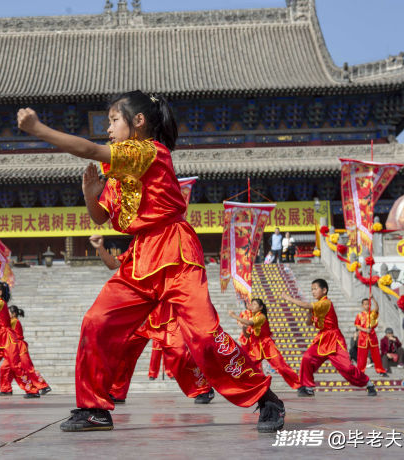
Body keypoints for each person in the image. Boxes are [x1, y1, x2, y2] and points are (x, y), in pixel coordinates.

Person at [17, 91, 282, 432]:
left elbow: (90, 149)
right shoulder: (119, 171)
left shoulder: (149, 151)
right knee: (97, 321)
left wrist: (38, 129)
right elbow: (101, 217)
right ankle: (93, 409)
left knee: (204, 336)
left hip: (175, 250)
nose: (108, 128)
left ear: (138, 122)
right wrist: (89, 194)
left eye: (114, 120)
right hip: (140, 255)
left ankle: (265, 398)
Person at [90, 234, 215, 405]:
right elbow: (113, 264)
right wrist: (100, 247)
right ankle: (116, 391)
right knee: (124, 350)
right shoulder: (138, 245)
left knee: (179, 353)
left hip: (166, 312)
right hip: (142, 312)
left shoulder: (174, 241)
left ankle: (203, 389)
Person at [281, 279, 377, 397]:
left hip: (335, 339)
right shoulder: (317, 306)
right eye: (312, 289)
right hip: (322, 338)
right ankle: (308, 387)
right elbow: (308, 323)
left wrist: (288, 298)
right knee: (307, 358)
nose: (313, 291)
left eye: (315, 289)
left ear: (324, 290)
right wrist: (310, 313)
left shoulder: (325, 303)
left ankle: (368, 383)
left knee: (347, 368)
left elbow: (306, 305)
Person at [229, 298, 301, 389]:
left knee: (281, 366)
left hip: (267, 345)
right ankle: (247, 386)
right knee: (247, 365)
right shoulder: (252, 317)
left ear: (261, 307)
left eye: (255, 304)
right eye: (252, 304)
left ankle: (300, 384)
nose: (252, 306)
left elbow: (250, 322)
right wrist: (244, 328)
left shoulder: (261, 316)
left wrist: (234, 316)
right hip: (256, 347)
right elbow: (247, 335)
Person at [0, 305, 52, 396]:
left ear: (14, 314)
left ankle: (43, 386)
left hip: (19, 347)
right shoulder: (11, 321)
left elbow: (3, 327)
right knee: (5, 367)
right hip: (12, 348)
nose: (6, 315)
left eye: (8, 313)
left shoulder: (14, 321)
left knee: (27, 367)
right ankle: (6, 389)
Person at [354, 297, 387, 376]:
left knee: (376, 356)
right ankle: (360, 372)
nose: (367, 306)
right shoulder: (359, 315)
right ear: (362, 305)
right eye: (365, 304)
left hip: (372, 337)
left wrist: (373, 299)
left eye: (368, 304)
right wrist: (365, 330)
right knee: (361, 357)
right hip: (363, 338)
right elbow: (357, 325)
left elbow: (377, 308)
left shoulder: (372, 314)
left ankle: (380, 370)